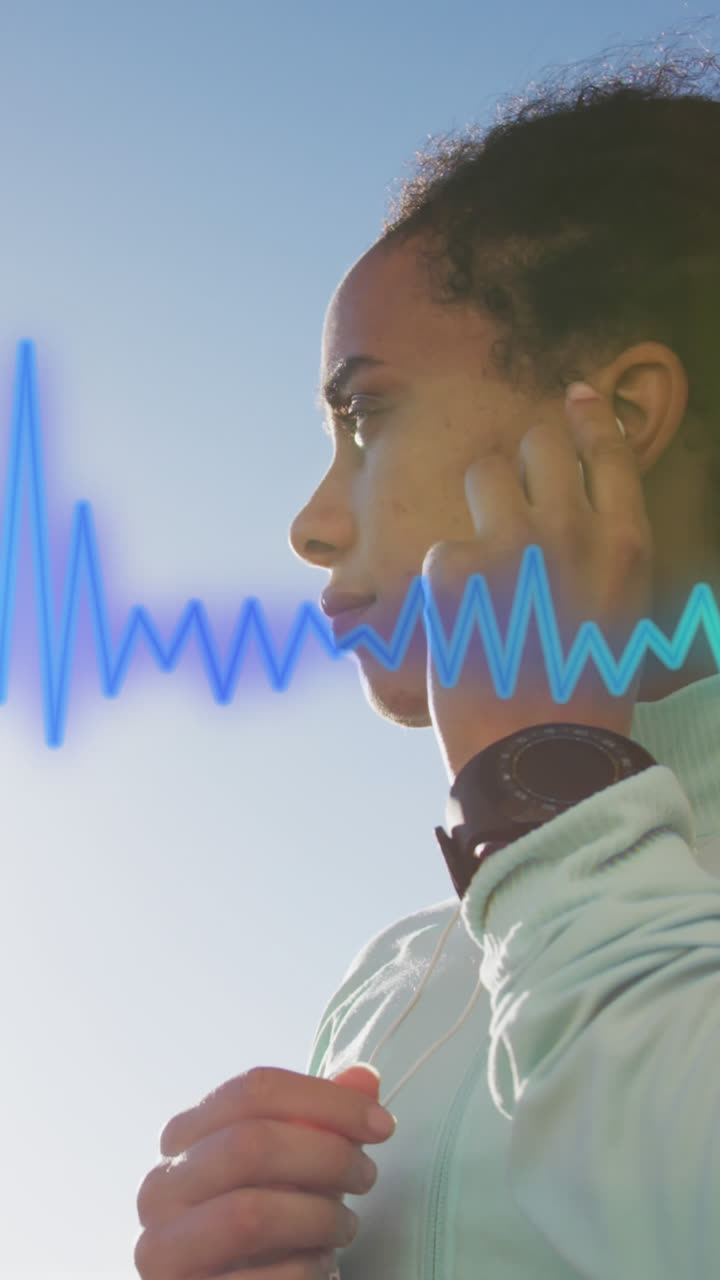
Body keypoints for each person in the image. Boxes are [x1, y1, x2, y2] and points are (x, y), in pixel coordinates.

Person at [135, 36, 720, 1279]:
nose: (312, 522)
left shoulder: (537, 843)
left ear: (619, 415)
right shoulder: (390, 982)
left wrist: (546, 786)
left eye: (366, 415)